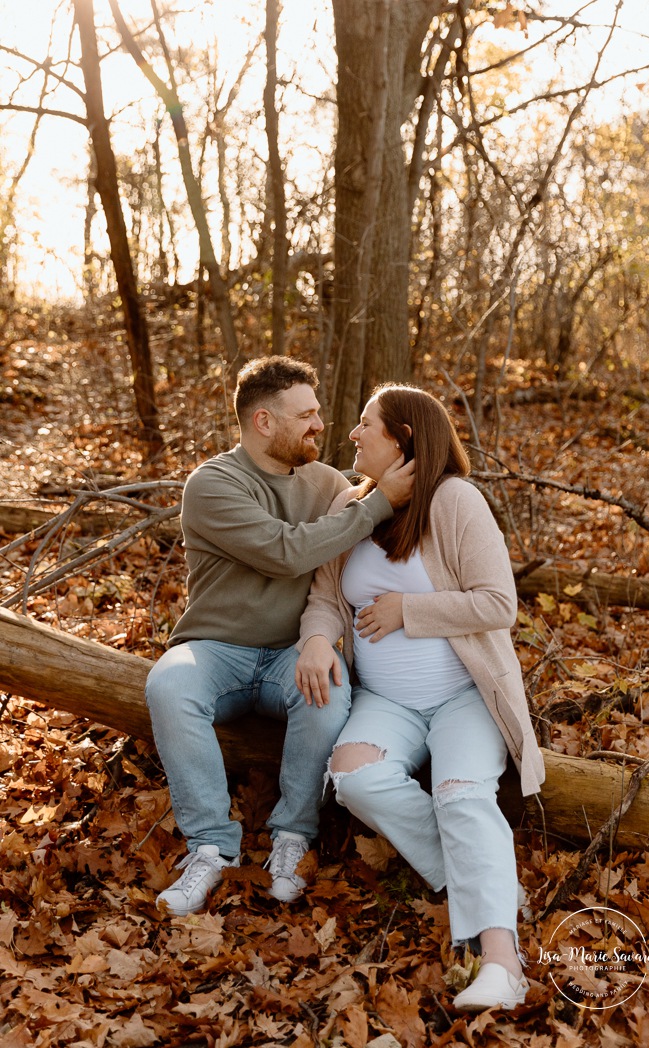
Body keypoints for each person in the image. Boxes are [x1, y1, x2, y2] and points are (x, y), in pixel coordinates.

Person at [295, 384, 545, 1012]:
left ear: (404, 439)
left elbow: (499, 604)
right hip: (387, 702)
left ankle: (502, 962)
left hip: (464, 694)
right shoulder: (354, 508)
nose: (352, 435)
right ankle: (480, 878)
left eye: (365, 425)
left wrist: (410, 609)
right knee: (352, 778)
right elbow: (325, 597)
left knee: (461, 793)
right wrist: (320, 640)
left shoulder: (455, 501)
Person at [146, 356, 414, 916]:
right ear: (264, 422)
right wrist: (378, 502)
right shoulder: (214, 484)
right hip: (215, 649)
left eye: (319, 413)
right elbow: (286, 554)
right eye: (307, 415)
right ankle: (211, 848)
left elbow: (357, 560)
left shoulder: (329, 484)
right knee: (169, 686)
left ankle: (292, 836)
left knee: (330, 694)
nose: (321, 425)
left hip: (291, 657)